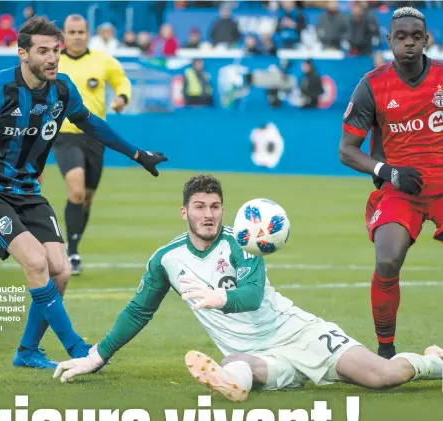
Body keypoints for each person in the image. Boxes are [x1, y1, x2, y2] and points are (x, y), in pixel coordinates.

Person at [0, 16, 167, 370]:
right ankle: (77, 347)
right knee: (35, 261)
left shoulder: (62, 90)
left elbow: (93, 125)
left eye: (56, 51)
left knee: (60, 271)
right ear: (22, 53)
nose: (52, 59)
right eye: (43, 51)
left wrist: (138, 154)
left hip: (28, 191)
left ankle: (27, 351)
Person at [52, 175, 443, 402]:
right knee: (235, 363)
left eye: (215, 207)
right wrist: (95, 357)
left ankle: (433, 360)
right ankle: (236, 381)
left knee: (382, 378)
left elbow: (253, 295)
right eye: (200, 207)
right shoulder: (166, 260)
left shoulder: (242, 242)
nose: (208, 215)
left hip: (295, 332)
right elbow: (138, 311)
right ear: (184, 212)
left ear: (224, 210)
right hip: (254, 353)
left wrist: (218, 298)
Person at [339, 7, 443, 359]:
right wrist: (389, 172)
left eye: (416, 36)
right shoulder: (372, 85)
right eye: (402, 37)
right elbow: (347, 151)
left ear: (427, 39)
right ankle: (385, 352)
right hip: (403, 189)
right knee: (386, 261)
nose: (410, 43)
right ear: (389, 41)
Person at [53, 14, 132, 275]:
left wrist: (122, 97)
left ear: (88, 34)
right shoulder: (54, 60)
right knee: (75, 191)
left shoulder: (102, 60)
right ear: (63, 35)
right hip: (64, 134)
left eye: (81, 32)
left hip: (95, 136)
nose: (77, 37)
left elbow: (121, 80)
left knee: (86, 198)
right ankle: (71, 254)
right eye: (72, 32)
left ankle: (73, 246)